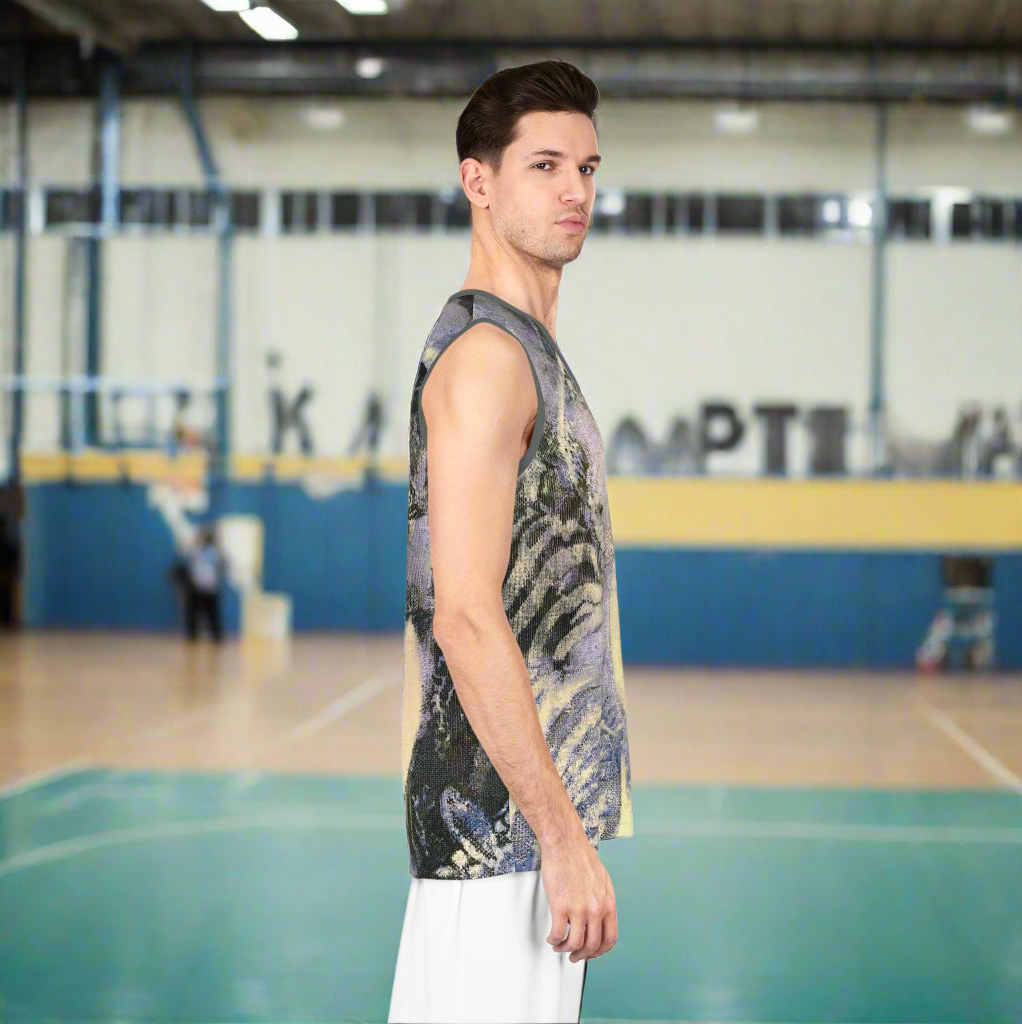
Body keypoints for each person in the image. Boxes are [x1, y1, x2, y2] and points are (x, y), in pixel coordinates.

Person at [389, 60, 634, 1024]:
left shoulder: (530, 351)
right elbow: (465, 616)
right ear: (478, 180)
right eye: (544, 166)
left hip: (524, 838)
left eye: (587, 166)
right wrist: (561, 836)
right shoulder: (488, 360)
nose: (575, 190)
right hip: (498, 837)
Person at [181, 524, 226, 642]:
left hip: (211, 588)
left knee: (212, 614)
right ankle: (192, 635)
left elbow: (221, 566)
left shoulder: (215, 553)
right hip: (197, 587)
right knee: (193, 613)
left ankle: (216, 636)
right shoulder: (194, 551)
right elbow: (187, 565)